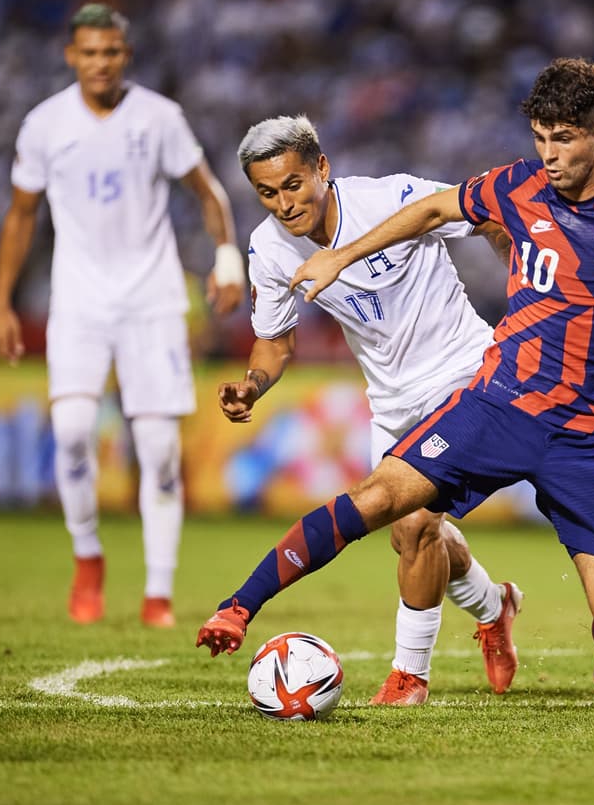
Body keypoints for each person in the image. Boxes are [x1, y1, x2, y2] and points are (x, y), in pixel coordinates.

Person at [196, 57, 594, 724]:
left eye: (564, 139)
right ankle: (243, 606)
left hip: (585, 435)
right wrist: (342, 257)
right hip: (496, 403)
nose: (549, 155)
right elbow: (433, 210)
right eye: (541, 137)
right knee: (388, 506)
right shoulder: (516, 184)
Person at [220, 114, 523, 704]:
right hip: (390, 401)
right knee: (415, 538)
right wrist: (253, 385)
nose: (284, 204)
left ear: (322, 168)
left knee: (415, 522)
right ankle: (495, 606)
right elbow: (274, 341)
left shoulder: (393, 198)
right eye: (267, 193)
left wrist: (523, 286)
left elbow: (486, 214)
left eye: (293, 185)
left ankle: (410, 675)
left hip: (465, 373)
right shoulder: (268, 248)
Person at [0, 4, 245, 627]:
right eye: (89, 52)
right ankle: (87, 554)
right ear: (70, 55)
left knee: (158, 449)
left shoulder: (159, 118)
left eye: (111, 52)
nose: (100, 63)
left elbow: (208, 191)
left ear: (125, 55)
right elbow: (21, 215)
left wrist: (226, 257)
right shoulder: (44, 125)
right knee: (73, 430)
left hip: (151, 299)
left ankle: (158, 592)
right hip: (78, 300)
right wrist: (1, 299)